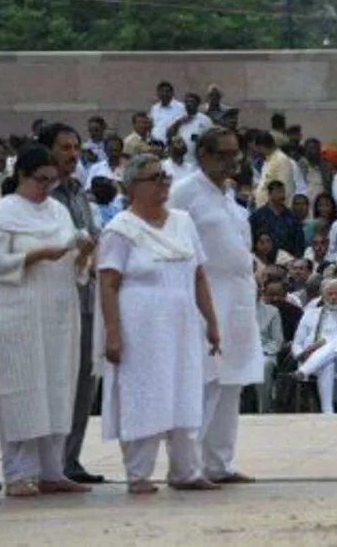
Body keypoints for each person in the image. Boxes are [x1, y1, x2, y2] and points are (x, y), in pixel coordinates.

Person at [0, 146, 95, 497]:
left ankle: (53, 470)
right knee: (23, 390)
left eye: (53, 181)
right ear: (22, 175)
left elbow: (76, 269)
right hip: (17, 315)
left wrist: (81, 255)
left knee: (56, 388)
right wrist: (36, 254)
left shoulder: (58, 211)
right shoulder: (4, 213)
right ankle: (19, 472)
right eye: (41, 180)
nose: (47, 188)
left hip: (56, 314)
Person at [97, 154, 222, 494]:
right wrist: (112, 334)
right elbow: (107, 283)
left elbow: (198, 275)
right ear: (133, 186)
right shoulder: (119, 228)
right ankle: (138, 473)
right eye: (154, 178)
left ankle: (186, 470)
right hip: (140, 326)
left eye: (165, 177)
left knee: (184, 389)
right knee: (145, 393)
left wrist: (211, 322)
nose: (163, 184)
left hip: (181, 325)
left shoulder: (182, 221)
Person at [169, 128, 261, 485]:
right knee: (203, 383)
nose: (230, 161)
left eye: (234, 154)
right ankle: (185, 467)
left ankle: (218, 463)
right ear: (203, 154)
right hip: (202, 300)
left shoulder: (227, 194)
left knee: (230, 383)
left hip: (236, 297)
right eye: (222, 154)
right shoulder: (184, 192)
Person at [38, 123, 102, 485]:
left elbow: (91, 237)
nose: (73, 154)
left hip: (87, 297)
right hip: (56, 299)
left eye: (75, 147)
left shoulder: (79, 192)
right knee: (57, 378)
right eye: (65, 147)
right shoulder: (42, 197)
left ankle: (71, 461)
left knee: (83, 381)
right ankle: (50, 462)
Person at [292, 279, 337, 414]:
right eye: (330, 294)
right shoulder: (310, 314)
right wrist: (300, 354)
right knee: (327, 363)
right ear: (322, 296)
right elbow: (297, 342)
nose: (334, 298)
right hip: (311, 357)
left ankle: (304, 371)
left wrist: (322, 345)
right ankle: (328, 412)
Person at [250, 181, 306, 260]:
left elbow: (299, 240)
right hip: (263, 259)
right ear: (270, 194)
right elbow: (251, 238)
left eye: (283, 191)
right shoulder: (258, 215)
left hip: (288, 259)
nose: (282, 195)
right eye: (278, 192)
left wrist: (297, 258)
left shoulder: (291, 216)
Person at [255, 284, 284, 414]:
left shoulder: (272, 311)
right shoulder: (233, 310)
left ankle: (264, 409)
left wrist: (260, 351)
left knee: (265, 364)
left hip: (264, 351)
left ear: (260, 292)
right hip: (240, 352)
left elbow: (277, 341)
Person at [166, 93, 214, 166]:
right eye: (187, 102)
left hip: (197, 161)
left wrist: (196, 138)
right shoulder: (177, 117)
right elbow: (168, 135)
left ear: (197, 104)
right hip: (179, 160)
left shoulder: (205, 120)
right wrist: (179, 122)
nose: (189, 104)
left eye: (192, 102)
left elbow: (211, 138)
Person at [253, 131, 297, 208]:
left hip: (276, 211)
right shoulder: (267, 160)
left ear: (262, 147)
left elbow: (283, 189)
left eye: (259, 149)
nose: (258, 152)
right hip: (264, 209)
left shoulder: (281, 160)